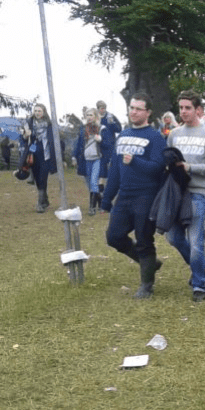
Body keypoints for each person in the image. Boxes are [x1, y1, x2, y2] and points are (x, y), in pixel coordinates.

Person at [101, 93, 167, 298]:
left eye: (138, 109)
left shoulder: (155, 137)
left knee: (144, 239)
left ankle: (146, 285)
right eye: (131, 108)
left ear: (148, 112)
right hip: (124, 196)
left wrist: (135, 161)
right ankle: (149, 263)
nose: (134, 112)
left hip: (146, 196)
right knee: (114, 236)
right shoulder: (123, 135)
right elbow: (115, 170)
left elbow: (158, 167)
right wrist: (106, 198)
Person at [165, 89, 205, 302]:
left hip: (198, 193)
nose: (184, 112)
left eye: (188, 107)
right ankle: (200, 261)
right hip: (176, 194)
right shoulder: (174, 134)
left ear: (198, 110)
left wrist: (190, 168)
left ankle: (199, 284)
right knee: (173, 237)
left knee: (196, 241)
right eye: (181, 108)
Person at [22, 104, 58, 213]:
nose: (37, 113)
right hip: (33, 154)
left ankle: (40, 204)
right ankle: (45, 200)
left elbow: (55, 140)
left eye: (39, 111)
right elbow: (23, 139)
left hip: (46, 155)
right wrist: (26, 135)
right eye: (36, 110)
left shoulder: (49, 125)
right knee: (37, 178)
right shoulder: (29, 124)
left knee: (43, 177)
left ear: (44, 112)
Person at [73, 108, 109, 215]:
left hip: (98, 159)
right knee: (90, 184)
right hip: (86, 160)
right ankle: (101, 202)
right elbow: (79, 143)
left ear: (96, 116)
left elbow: (109, 146)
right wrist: (74, 156)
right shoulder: (83, 129)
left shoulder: (102, 129)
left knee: (94, 181)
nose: (89, 117)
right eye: (87, 115)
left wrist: (100, 140)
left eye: (91, 115)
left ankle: (91, 208)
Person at [96, 100, 123, 192]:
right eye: (101, 108)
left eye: (104, 108)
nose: (103, 110)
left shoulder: (110, 116)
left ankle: (111, 186)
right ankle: (100, 189)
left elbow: (119, 129)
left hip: (110, 146)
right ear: (98, 109)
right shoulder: (95, 118)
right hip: (99, 146)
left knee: (111, 167)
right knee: (101, 168)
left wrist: (112, 123)